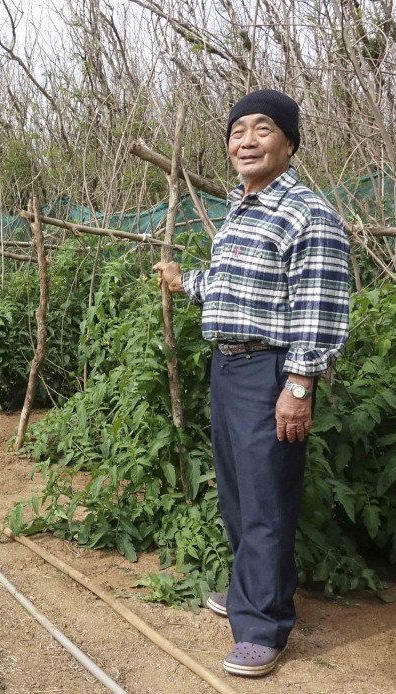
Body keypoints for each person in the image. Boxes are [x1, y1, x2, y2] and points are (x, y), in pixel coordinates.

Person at [152, 89, 351, 677]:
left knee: (267, 497)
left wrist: (299, 385)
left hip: (271, 370)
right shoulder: (245, 208)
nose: (247, 141)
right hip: (230, 365)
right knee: (239, 490)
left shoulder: (306, 214)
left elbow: (317, 307)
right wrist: (183, 280)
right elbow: (232, 287)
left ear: (289, 143)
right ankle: (250, 589)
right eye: (238, 131)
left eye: (262, 129)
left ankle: (262, 625)